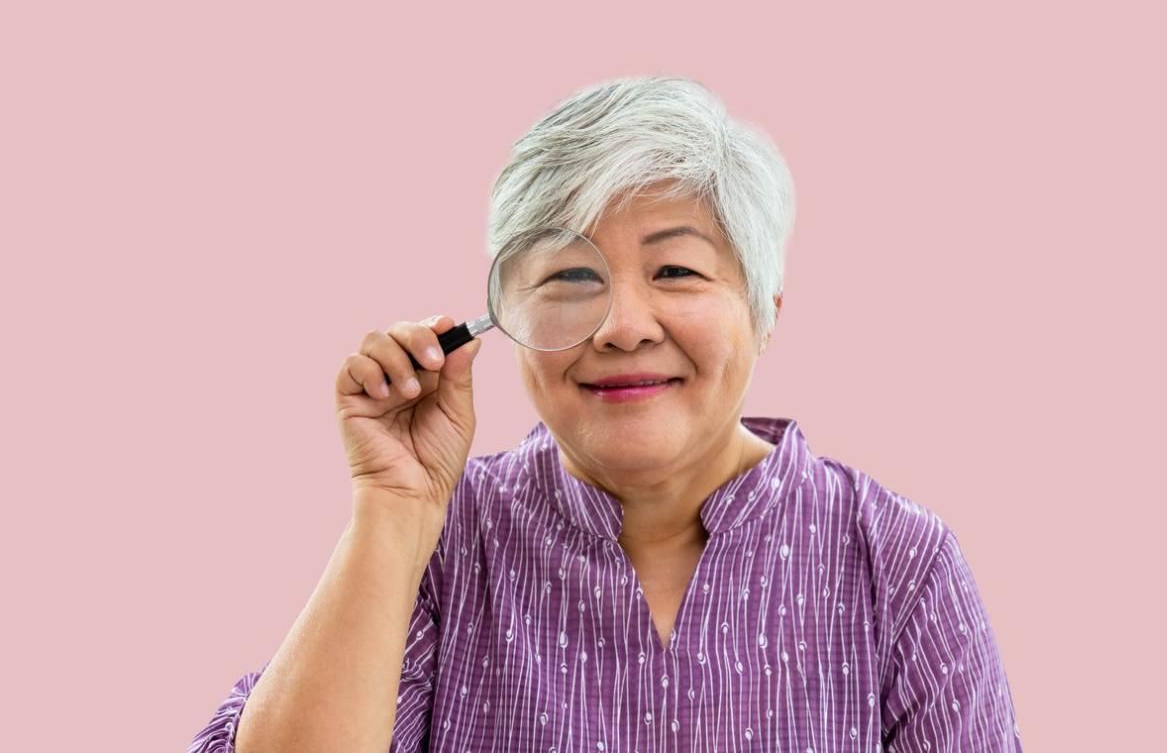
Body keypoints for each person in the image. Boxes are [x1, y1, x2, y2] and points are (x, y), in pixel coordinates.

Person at [188, 76, 1022, 752]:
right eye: (571, 279)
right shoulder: (440, 544)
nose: (623, 327)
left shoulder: (898, 565)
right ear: (504, 319)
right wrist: (393, 508)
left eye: (678, 272)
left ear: (765, 310)